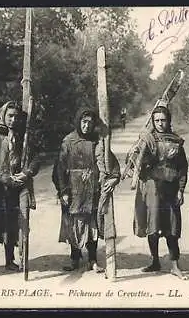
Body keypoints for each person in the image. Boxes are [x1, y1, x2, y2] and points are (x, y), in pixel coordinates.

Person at [0, 101, 40, 276]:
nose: (12, 120)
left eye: (15, 117)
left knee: (11, 225)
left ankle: (9, 260)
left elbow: (35, 159)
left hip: (15, 188)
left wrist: (26, 173)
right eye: (9, 116)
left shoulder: (22, 137)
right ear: (3, 116)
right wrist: (6, 179)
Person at [55, 107, 120, 273]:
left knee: (92, 226)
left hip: (93, 189)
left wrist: (113, 177)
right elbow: (59, 169)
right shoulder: (68, 141)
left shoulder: (98, 142)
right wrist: (63, 191)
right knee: (74, 225)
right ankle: (74, 259)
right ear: (78, 122)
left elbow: (110, 162)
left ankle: (92, 260)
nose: (87, 126)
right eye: (84, 122)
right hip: (73, 190)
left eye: (90, 123)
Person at [132, 105, 189, 280]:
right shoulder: (147, 140)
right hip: (152, 187)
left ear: (168, 120)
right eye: (156, 120)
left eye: (163, 120)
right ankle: (155, 260)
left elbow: (183, 168)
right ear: (152, 121)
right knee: (153, 224)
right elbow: (136, 160)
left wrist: (181, 189)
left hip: (170, 188)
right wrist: (139, 155)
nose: (160, 123)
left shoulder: (177, 141)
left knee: (172, 226)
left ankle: (174, 265)